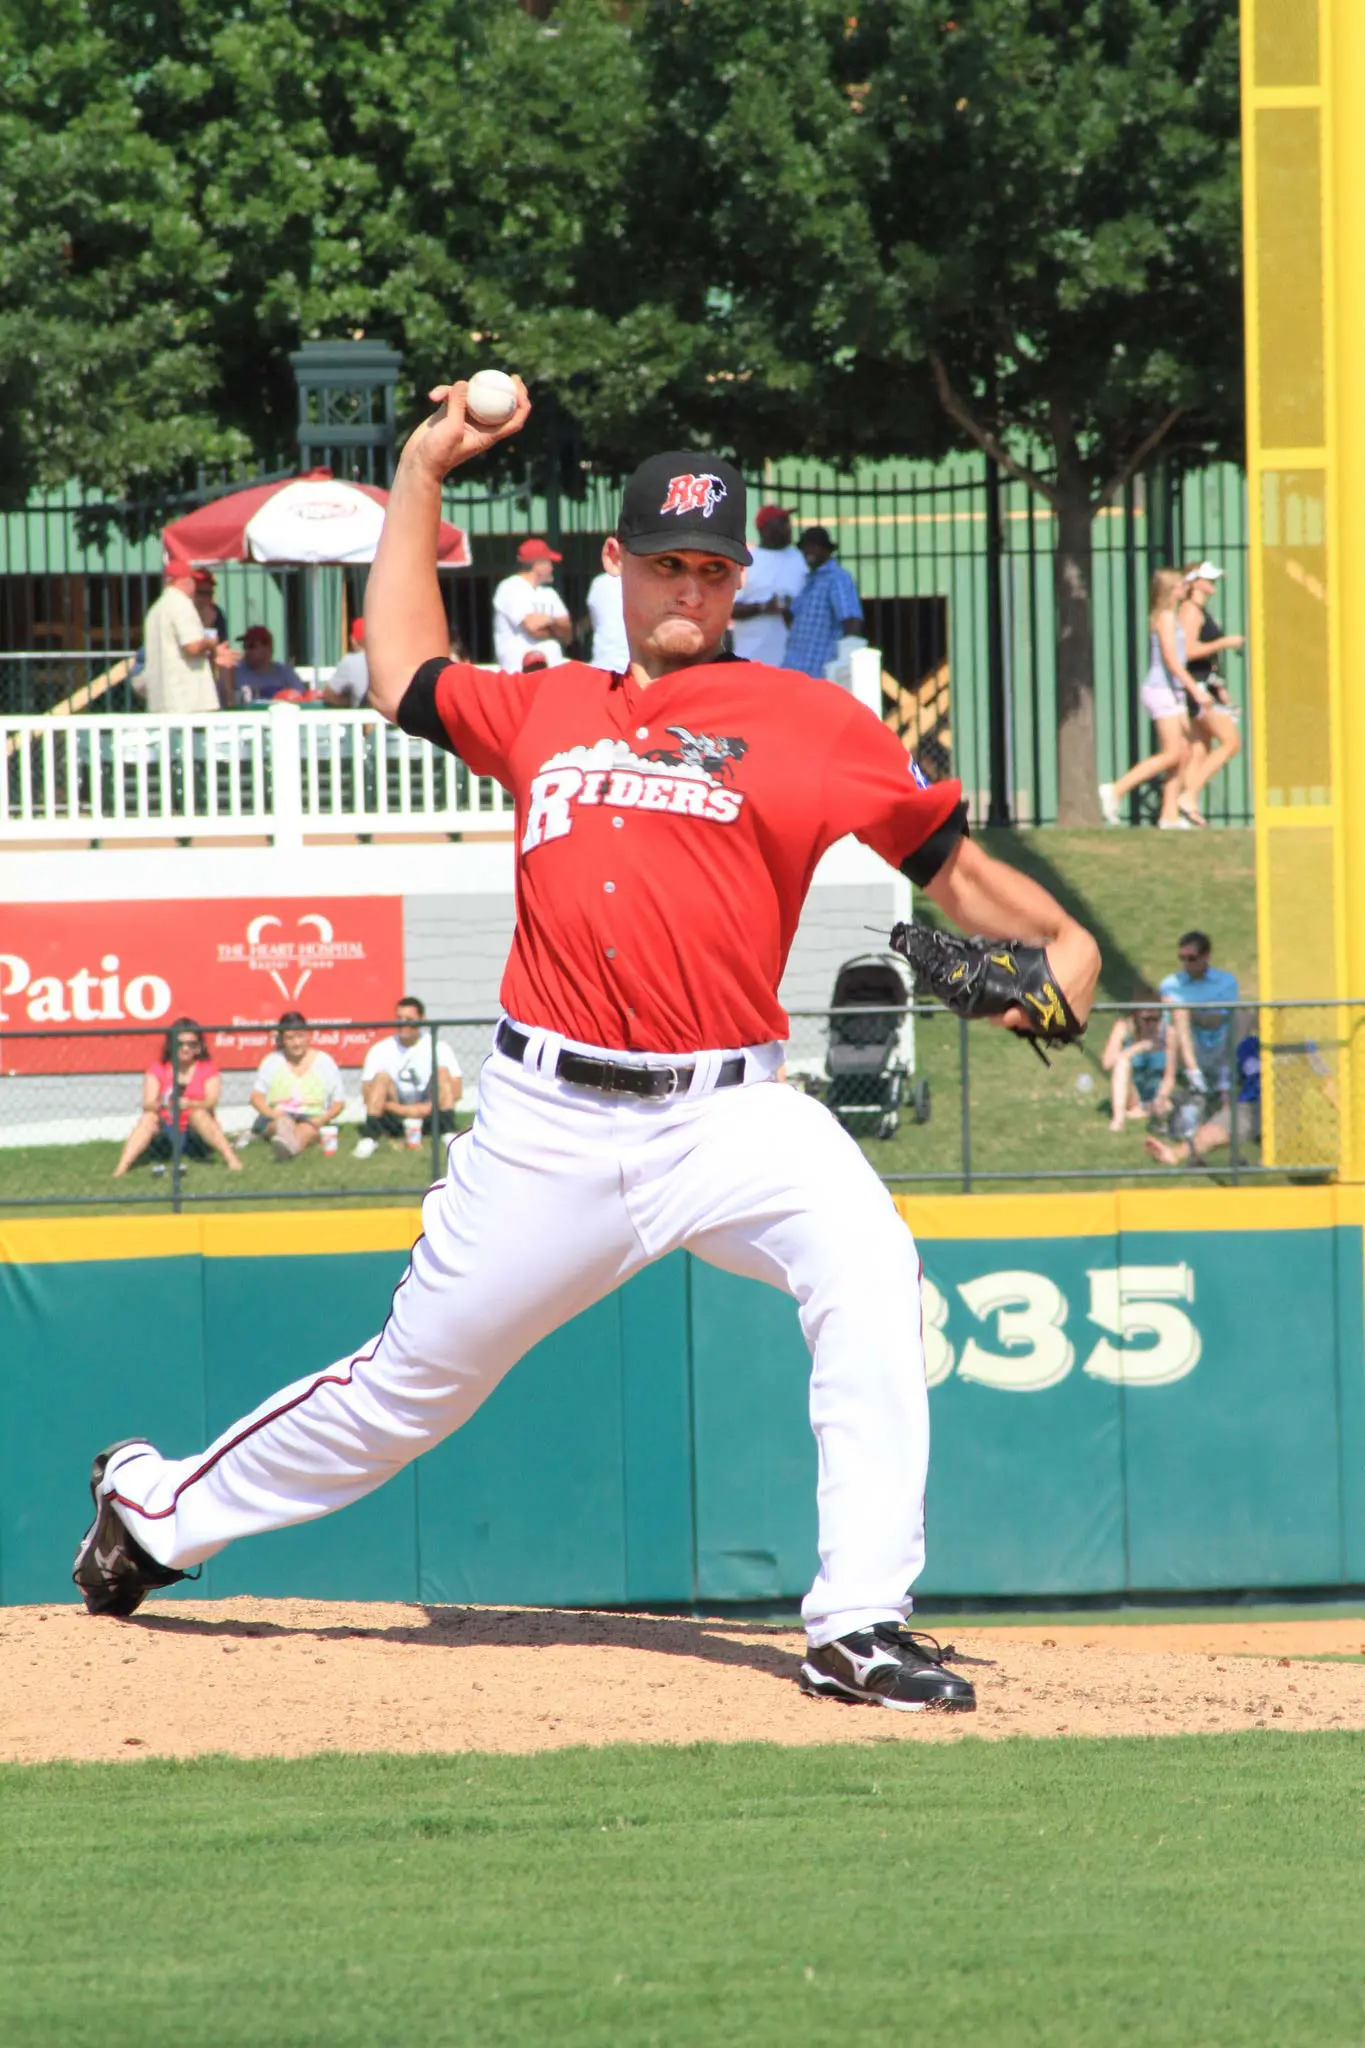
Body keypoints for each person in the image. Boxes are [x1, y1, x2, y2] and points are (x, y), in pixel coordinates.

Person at [73, 382, 1100, 1719]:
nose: (689, 584)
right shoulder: (548, 709)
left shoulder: (811, 723)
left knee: (867, 1262)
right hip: (546, 1122)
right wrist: (422, 469)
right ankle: (157, 1510)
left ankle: (857, 1622)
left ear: (739, 582)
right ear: (614, 567)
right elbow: (399, 671)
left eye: (712, 566)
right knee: (405, 1394)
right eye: (666, 561)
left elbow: (968, 882)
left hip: (734, 1114)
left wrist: (1065, 961)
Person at [1098, 568, 1213, 829]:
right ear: (1170, 590)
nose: (1185, 588)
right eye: (1181, 585)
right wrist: (1195, 690)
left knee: (1182, 754)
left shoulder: (1170, 616)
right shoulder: (1166, 618)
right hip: (1162, 691)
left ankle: (1169, 815)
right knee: (1173, 753)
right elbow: (1172, 661)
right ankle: (1116, 790)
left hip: (1172, 692)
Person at [111, 1020, 243, 1177]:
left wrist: (190, 1104)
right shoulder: (157, 1069)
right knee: (149, 1117)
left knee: (198, 1113)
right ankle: (121, 1168)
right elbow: (148, 1103)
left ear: (199, 1047)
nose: (185, 1048)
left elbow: (211, 1101)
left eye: (191, 1044)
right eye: (180, 1043)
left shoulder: (208, 1069)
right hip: (166, 1131)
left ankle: (232, 1159)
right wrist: (165, 1105)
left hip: (196, 1134)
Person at [1176, 561, 1246, 825]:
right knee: (1230, 741)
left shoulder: (1201, 611)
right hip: (1197, 687)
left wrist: (1220, 686)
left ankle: (1185, 810)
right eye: (1208, 579)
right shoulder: (1190, 611)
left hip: (1208, 684)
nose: (1213, 583)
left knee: (1200, 749)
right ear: (1195, 582)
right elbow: (1189, 651)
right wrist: (1225, 642)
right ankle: (1189, 795)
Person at [355, 996, 462, 1158]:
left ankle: (448, 1133)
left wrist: (427, 1108)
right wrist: (402, 1109)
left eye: (409, 1019)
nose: (403, 1024)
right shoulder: (380, 1049)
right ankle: (369, 1138)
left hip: (431, 1115)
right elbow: (367, 1094)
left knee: (442, 1072)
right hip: (393, 1116)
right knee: (381, 1077)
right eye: (399, 1019)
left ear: (422, 1020)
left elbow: (457, 1090)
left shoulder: (439, 1047)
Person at [1151, 930, 1240, 1120]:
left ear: (1206, 956)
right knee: (1177, 1019)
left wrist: (1185, 1010)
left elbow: (1216, 1021)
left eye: (1191, 958)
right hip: (1185, 1047)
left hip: (1219, 1043)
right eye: (1182, 958)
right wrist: (1180, 1011)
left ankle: (1223, 1078)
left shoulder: (1226, 982)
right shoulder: (1170, 984)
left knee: (1244, 1015)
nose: (1186, 964)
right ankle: (1194, 1076)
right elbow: (1167, 1024)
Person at [1146, 1032, 1261, 1168]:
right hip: (1252, 1105)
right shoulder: (1247, 1046)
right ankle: (1174, 1154)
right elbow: (1231, 1082)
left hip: (1287, 1106)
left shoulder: (1291, 1046)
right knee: (1213, 1130)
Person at [248, 1012, 345, 1159]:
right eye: (290, 1038)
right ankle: (289, 1144)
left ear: (308, 1036)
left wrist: (323, 1119)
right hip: (280, 1115)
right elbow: (256, 1097)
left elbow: (339, 1102)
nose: (296, 1043)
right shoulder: (272, 1061)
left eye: (300, 1036)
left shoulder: (324, 1062)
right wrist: (271, 1113)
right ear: (282, 1039)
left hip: (312, 1116)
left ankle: (288, 1148)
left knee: (306, 1129)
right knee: (283, 1124)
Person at [729, 504, 808, 666]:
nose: (788, 527)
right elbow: (729, 609)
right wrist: (764, 607)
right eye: (782, 522)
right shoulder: (747, 561)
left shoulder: (800, 559)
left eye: (787, 522)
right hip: (752, 660)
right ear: (764, 529)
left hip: (796, 661)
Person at [138, 559, 221, 713]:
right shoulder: (181, 603)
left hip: (162, 700)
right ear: (181, 580)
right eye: (191, 579)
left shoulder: (155, 610)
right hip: (187, 700)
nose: (193, 585)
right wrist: (211, 643)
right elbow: (192, 647)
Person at [784, 526, 864, 680]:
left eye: (815, 546)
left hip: (820, 671)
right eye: (805, 548)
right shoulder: (809, 581)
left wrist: (844, 663)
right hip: (795, 668)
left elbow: (852, 622)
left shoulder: (837, 578)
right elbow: (794, 622)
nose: (809, 551)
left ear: (826, 550)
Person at [492, 539, 572, 671]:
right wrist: (556, 628)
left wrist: (548, 620)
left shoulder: (549, 593)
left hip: (551, 674)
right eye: (549, 562)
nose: (552, 567)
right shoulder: (510, 587)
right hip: (519, 674)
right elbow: (533, 627)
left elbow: (568, 633)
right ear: (538, 564)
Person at [1099, 1001, 1166, 1132]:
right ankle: (1118, 1119)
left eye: (1156, 1019)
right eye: (1146, 1019)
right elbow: (1106, 1063)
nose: (1151, 1024)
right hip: (1133, 1095)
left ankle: (1145, 1111)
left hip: (1158, 1095)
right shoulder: (1124, 1028)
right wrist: (1138, 1047)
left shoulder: (1166, 1033)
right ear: (1136, 1016)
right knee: (1122, 1062)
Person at [192, 571, 240, 706]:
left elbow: (223, 647)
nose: (206, 598)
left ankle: (228, 703)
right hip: (189, 667)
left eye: (210, 593)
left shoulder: (216, 613)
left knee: (225, 662)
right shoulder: (185, 613)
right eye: (202, 593)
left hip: (211, 667)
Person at [235, 626, 304, 703]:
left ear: (268, 647)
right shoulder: (236, 674)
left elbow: (301, 698)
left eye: (251, 646)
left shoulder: (285, 674)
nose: (246, 651)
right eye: (244, 647)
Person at [583, 562, 629, 672]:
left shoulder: (598, 582)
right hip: (631, 666)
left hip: (602, 663)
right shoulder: (641, 583)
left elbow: (595, 620)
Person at [323, 618, 370, 707]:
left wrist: (350, 701)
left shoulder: (350, 661)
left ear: (353, 640)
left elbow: (329, 695)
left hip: (364, 719)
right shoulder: (391, 658)